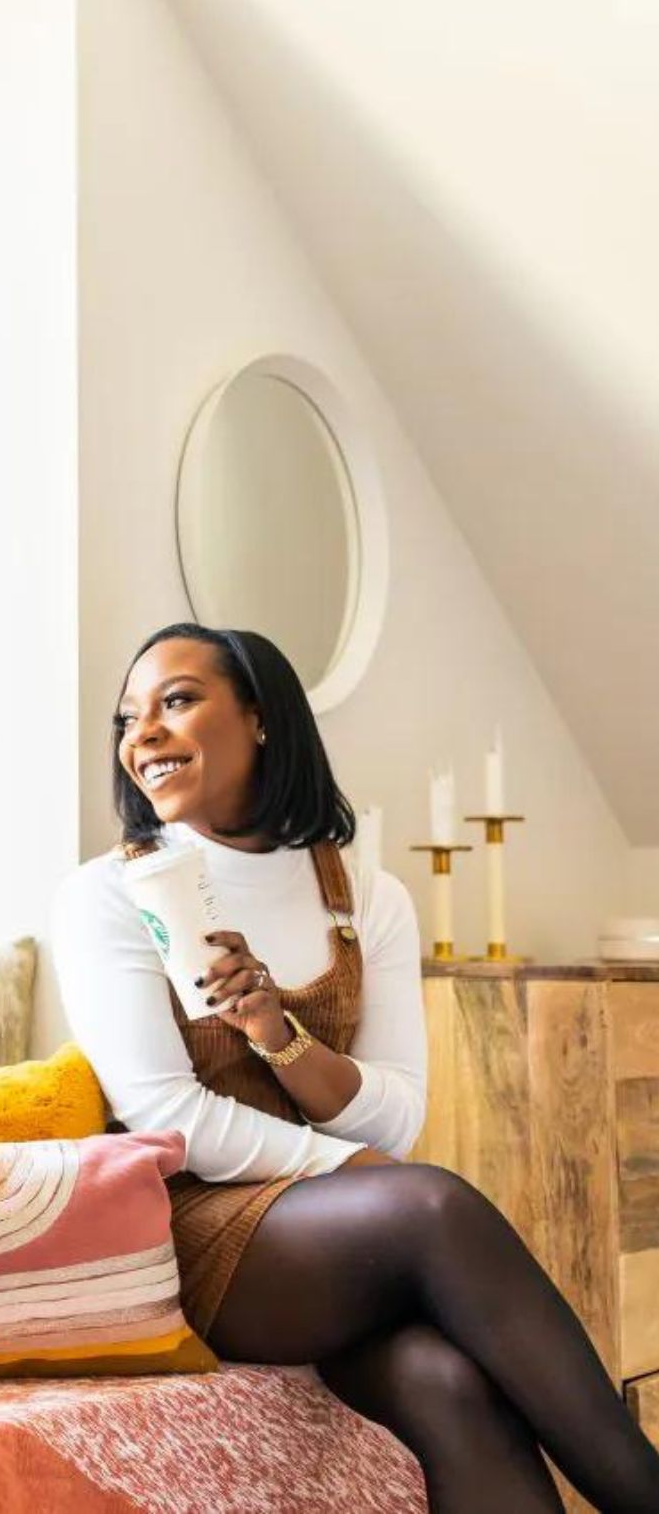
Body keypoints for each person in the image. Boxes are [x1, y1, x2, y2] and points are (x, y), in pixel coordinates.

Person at [48, 622, 659, 1514]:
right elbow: (163, 1114)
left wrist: (275, 1033)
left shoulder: (364, 895)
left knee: (447, 1385)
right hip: (179, 1227)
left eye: (177, 701)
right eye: (126, 719)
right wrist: (354, 1168)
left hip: (336, 1236)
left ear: (260, 719)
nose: (141, 735)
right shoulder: (107, 894)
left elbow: (395, 1116)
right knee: (432, 1203)